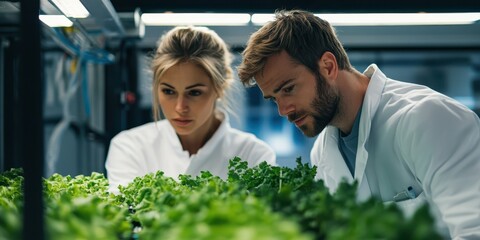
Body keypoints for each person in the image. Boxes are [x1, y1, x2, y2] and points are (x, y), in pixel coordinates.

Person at [238, 9, 480, 239]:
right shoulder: (323, 152)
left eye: (288, 89)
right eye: (273, 99)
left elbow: (474, 231)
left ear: (328, 67)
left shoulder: (427, 119)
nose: (283, 110)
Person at [106, 26, 276, 194]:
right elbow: (123, 215)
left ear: (220, 88)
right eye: (169, 91)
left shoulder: (253, 155)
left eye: (194, 93)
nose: (180, 107)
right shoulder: (129, 147)